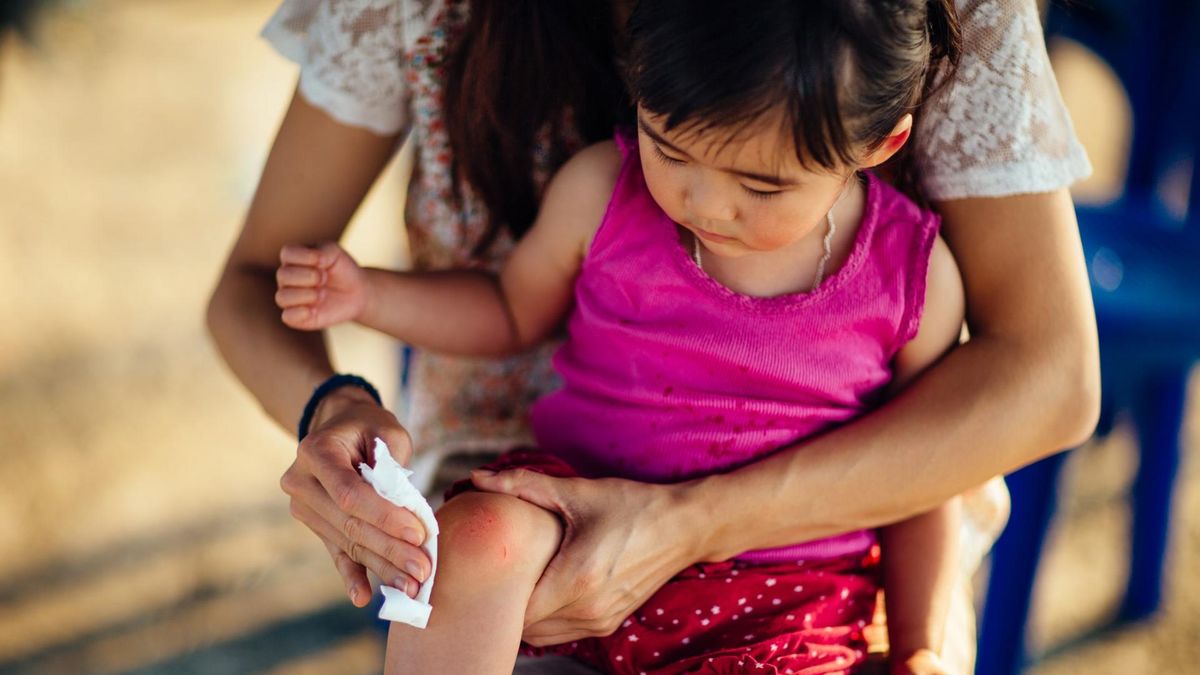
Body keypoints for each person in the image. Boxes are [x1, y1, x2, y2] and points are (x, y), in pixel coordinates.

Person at [206, 0, 1098, 671]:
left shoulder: (911, 274)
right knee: (475, 542)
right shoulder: (607, 191)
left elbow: (945, 465)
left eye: (761, 186)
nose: (703, 204)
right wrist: (364, 313)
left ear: (880, 142)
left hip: (793, 586)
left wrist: (923, 642)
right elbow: (509, 309)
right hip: (568, 499)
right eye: (671, 149)